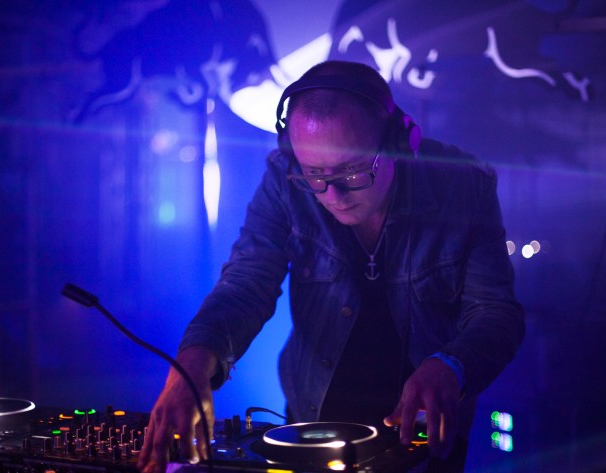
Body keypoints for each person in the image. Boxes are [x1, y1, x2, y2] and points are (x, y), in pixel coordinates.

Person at [137, 60, 524, 473]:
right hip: (310, 420)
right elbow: (247, 283)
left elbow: (496, 312)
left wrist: (451, 366)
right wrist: (195, 361)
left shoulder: (464, 186)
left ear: (398, 143)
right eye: (314, 174)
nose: (333, 195)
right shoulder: (283, 180)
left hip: (425, 434)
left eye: (352, 171)